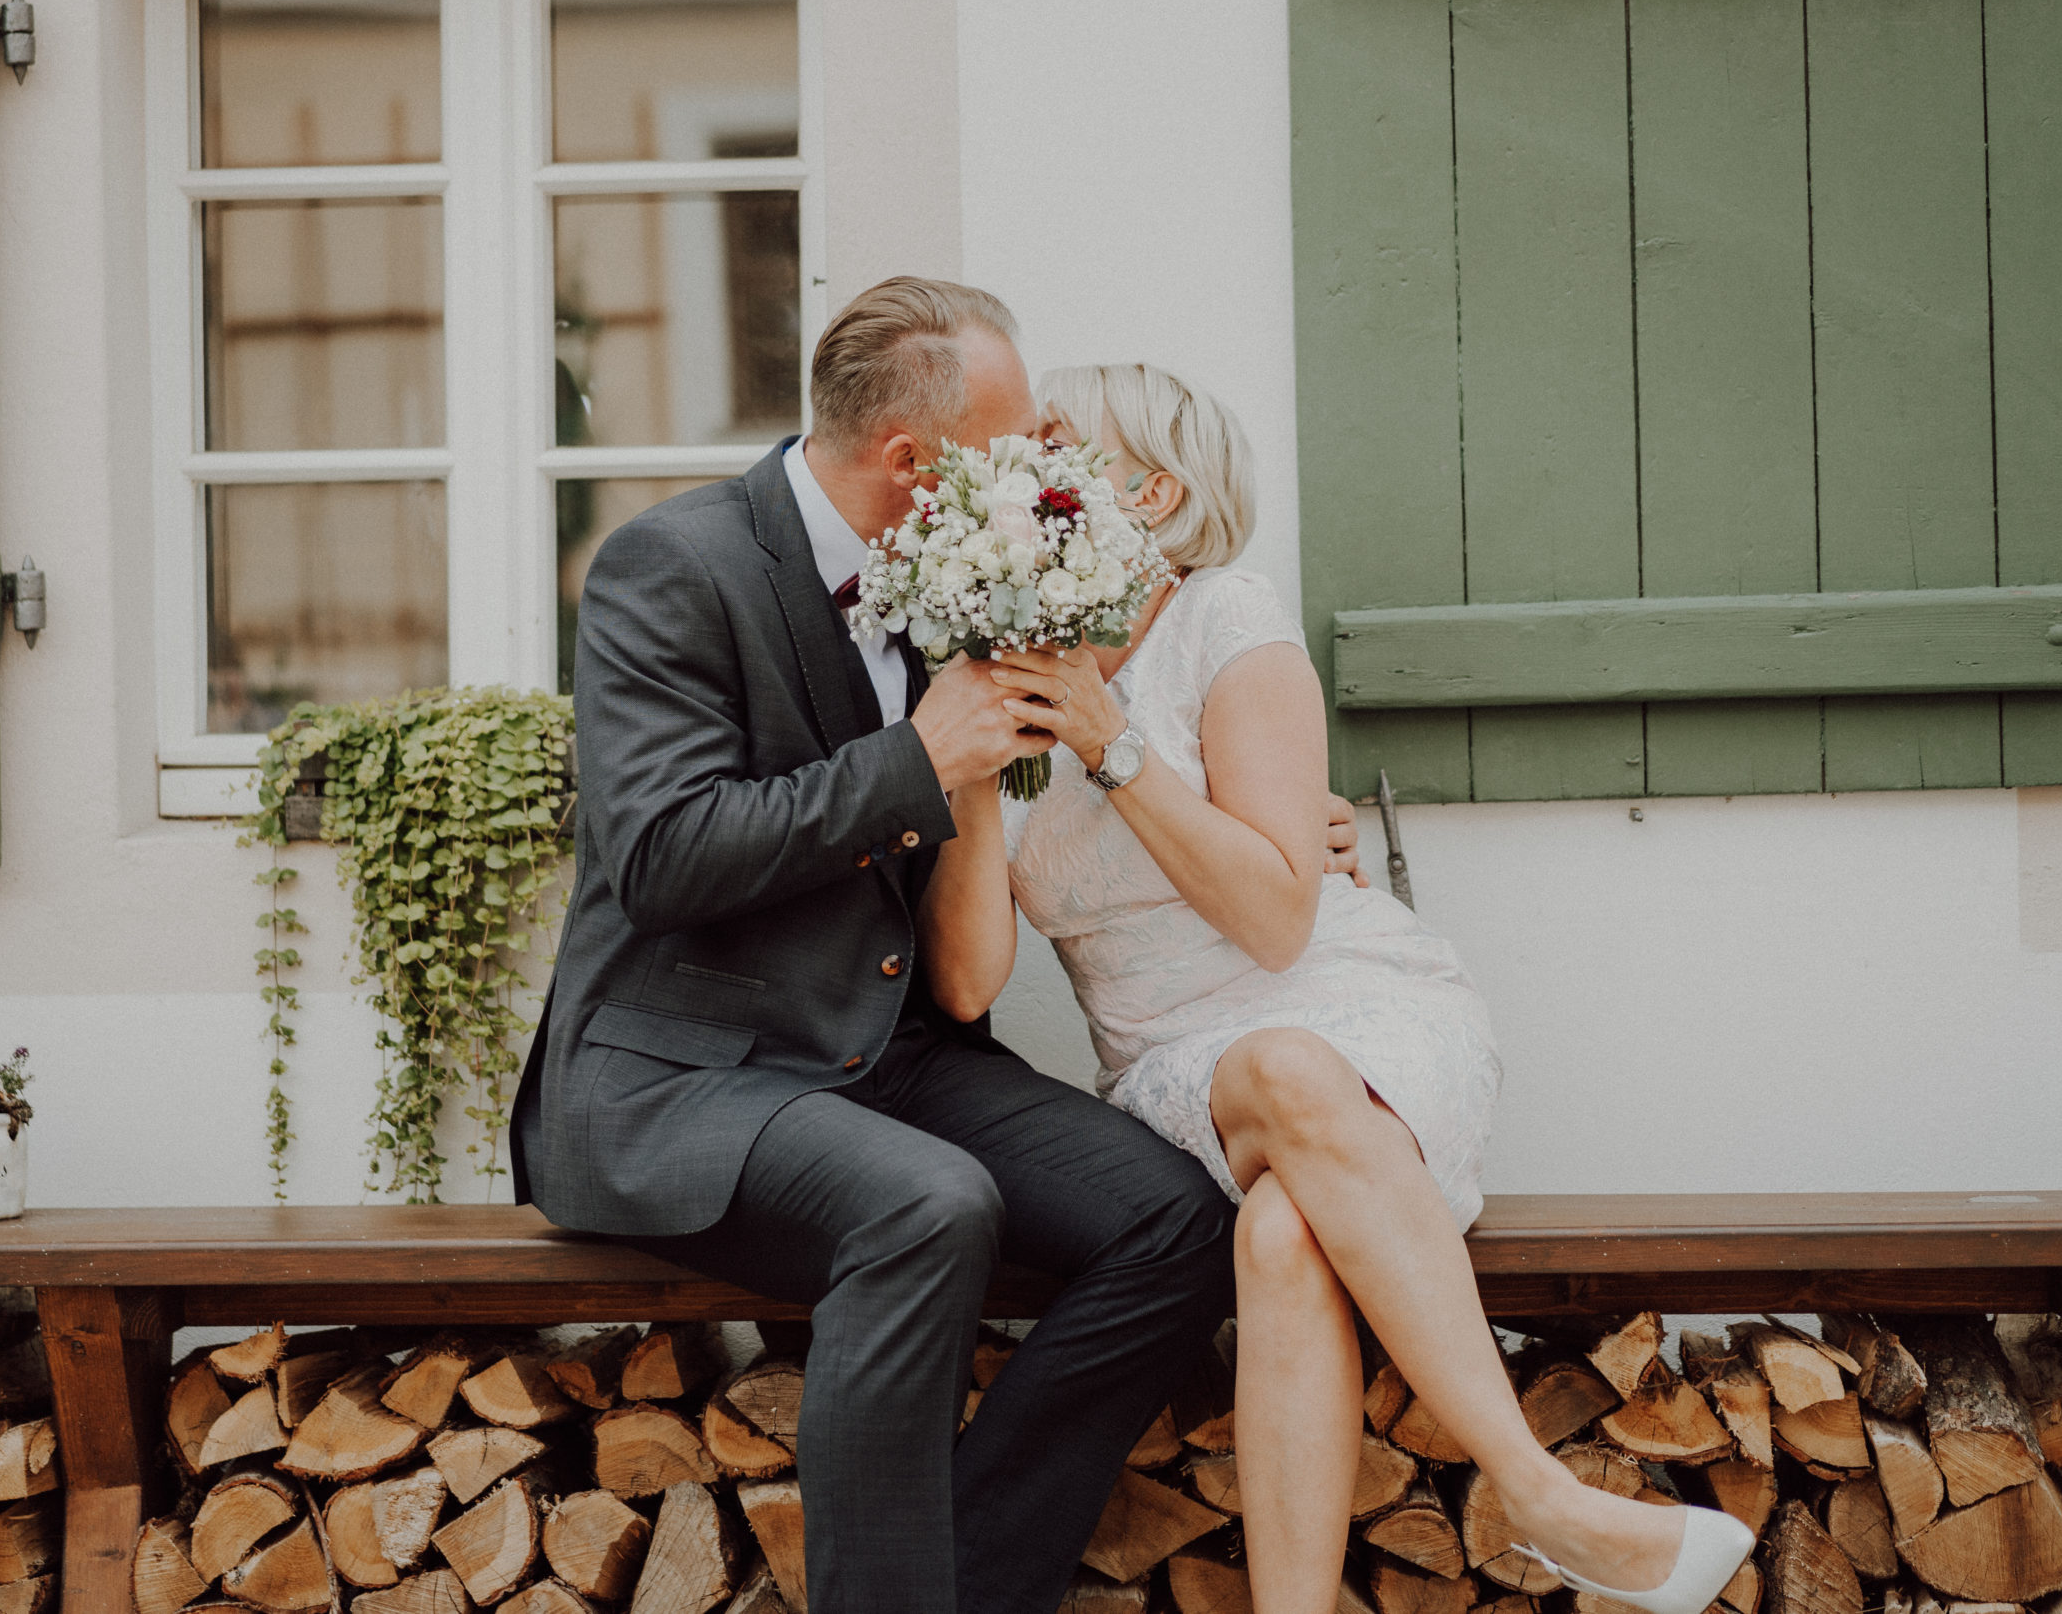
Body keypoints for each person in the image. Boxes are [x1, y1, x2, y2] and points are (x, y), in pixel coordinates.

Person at [916, 362, 1757, 1614]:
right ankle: (1543, 1495)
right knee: (1272, 1099)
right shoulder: (993, 675)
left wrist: (1112, 742)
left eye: (1055, 445)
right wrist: (971, 764)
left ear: (1148, 491)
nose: (1022, 471)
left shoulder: (1224, 621)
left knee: (1281, 1221)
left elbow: (1273, 918)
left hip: (1364, 1006)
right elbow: (972, 985)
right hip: (1172, 1063)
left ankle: (1500, 1512)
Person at [509, 280, 1242, 1614]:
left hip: (884, 1050)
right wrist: (914, 758)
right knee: (925, 1203)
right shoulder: (673, 564)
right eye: (1011, 441)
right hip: (684, 1073)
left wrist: (1273, 819)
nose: (1034, 470)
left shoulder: (958, 570)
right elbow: (661, 853)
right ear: (912, 458)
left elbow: (1063, 760)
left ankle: (945, 1584)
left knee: (1179, 1219)